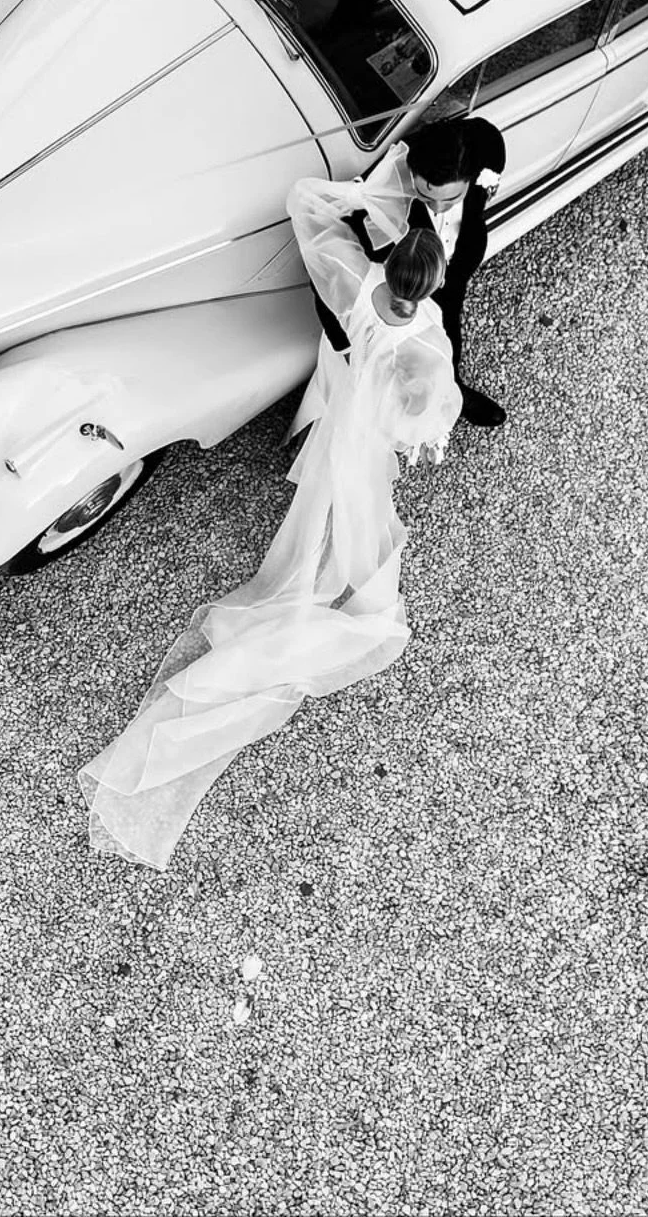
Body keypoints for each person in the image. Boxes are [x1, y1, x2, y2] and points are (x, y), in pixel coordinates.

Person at [78, 177, 462, 870]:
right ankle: (332, 579)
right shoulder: (426, 333)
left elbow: (307, 206)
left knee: (326, 494)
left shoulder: (358, 276)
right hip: (365, 428)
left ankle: (318, 556)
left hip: (338, 394)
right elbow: (429, 411)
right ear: (430, 285)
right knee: (359, 512)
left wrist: (365, 196)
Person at [310, 115, 509, 427]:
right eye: (427, 197)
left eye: (452, 198)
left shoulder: (486, 145)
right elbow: (326, 272)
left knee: (449, 328)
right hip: (405, 301)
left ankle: (450, 388)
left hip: (454, 275)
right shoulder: (376, 213)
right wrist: (343, 345)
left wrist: (488, 187)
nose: (439, 208)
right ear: (411, 174)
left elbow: (492, 159)